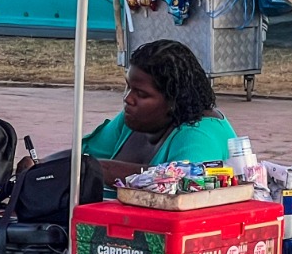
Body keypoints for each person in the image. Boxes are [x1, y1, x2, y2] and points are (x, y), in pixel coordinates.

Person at [77, 40, 238, 185]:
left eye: (141, 94)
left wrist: (102, 169)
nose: (128, 99)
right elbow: (84, 155)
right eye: (128, 87)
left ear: (173, 100)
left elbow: (184, 183)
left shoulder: (200, 135)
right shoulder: (132, 120)